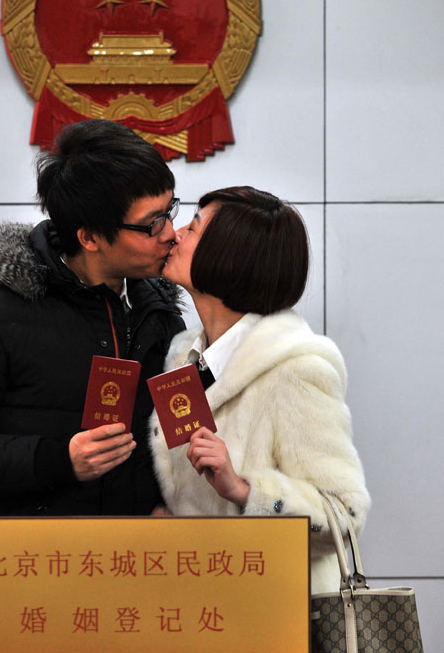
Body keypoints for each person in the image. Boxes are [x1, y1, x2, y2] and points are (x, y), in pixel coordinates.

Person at [0, 119, 184, 516]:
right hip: (35, 562)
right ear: (89, 238)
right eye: (151, 224)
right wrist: (57, 461)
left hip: (135, 561)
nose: (170, 233)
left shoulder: (159, 315)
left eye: (170, 210)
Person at [149, 186, 370, 593]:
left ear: (228, 257)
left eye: (193, 228)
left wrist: (244, 490)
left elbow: (345, 513)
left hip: (272, 611)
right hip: (200, 609)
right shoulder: (185, 356)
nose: (176, 233)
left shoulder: (295, 367)